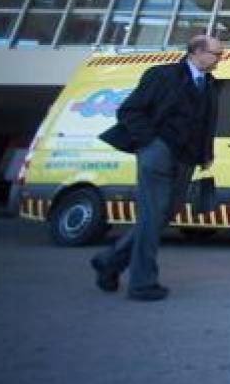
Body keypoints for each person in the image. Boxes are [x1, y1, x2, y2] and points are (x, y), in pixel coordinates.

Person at [90, 35, 222, 301]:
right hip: (158, 154)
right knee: (152, 216)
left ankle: (110, 261)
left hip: (186, 159)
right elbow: (130, 111)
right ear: (196, 51)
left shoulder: (210, 84)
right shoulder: (162, 75)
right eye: (216, 54)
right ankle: (142, 284)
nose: (220, 59)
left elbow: (206, 123)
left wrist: (206, 153)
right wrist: (151, 143)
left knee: (164, 214)